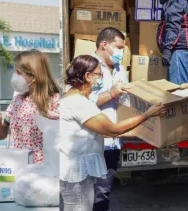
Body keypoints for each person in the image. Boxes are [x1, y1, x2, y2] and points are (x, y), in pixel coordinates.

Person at [60, 55, 167, 211]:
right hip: (77, 176)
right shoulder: (78, 103)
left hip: (77, 173)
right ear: (87, 76)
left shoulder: (73, 99)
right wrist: (147, 114)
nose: (101, 79)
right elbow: (112, 129)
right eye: (99, 74)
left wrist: (143, 133)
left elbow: (102, 132)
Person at [0, 49, 60, 164]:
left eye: (19, 72)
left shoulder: (55, 101)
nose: (14, 76)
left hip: (44, 170)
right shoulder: (17, 101)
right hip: (18, 166)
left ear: (34, 75)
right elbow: (0, 135)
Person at [88, 27, 129, 211]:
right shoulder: (88, 67)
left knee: (104, 191)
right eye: (119, 47)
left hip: (113, 141)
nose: (122, 52)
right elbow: (81, 103)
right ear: (104, 44)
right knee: (89, 193)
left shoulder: (119, 68)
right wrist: (111, 93)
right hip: (92, 142)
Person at [156, 0, 188, 85]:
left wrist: (167, 50)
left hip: (179, 51)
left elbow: (173, 27)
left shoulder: (174, 2)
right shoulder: (184, 2)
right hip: (183, 50)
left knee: (179, 90)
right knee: (173, 89)